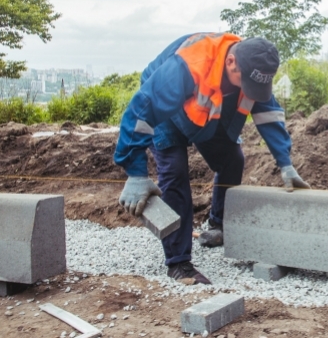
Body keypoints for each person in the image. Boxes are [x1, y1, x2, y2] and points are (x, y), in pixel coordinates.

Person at [114, 33, 310, 285]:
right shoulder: (188, 66)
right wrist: (136, 172)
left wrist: (286, 165)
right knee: (175, 173)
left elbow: (269, 116)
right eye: (245, 82)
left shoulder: (252, 68)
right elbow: (141, 111)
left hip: (201, 114)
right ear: (231, 62)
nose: (248, 90)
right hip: (164, 112)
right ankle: (179, 263)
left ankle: (217, 226)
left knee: (233, 159)